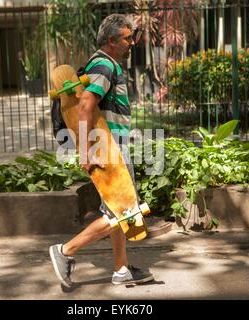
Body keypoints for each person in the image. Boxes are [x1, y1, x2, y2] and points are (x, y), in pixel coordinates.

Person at [49, 14, 154, 287]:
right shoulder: (104, 65)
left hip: (111, 145)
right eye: (127, 38)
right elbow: (84, 107)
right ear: (111, 40)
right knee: (124, 212)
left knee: (117, 209)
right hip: (109, 147)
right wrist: (86, 152)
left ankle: (121, 269)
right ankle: (65, 251)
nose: (131, 43)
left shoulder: (105, 64)